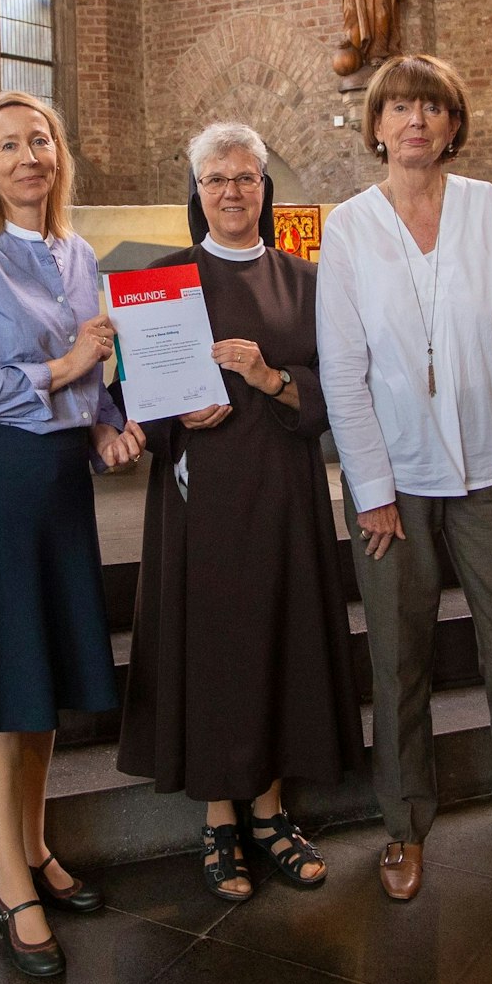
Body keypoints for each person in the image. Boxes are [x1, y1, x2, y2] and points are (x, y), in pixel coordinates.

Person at [316, 54, 492, 926]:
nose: (415, 123)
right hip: (395, 482)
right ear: (377, 126)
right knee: (399, 661)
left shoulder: (491, 211)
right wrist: (369, 485)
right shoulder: (350, 227)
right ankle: (403, 827)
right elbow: (341, 368)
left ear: (452, 126)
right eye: (399, 108)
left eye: (432, 109)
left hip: (491, 477)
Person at [0, 91, 146, 976]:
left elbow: (92, 382)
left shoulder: (79, 251)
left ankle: (39, 845)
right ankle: (10, 882)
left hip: (58, 491)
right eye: (7, 145)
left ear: (59, 156)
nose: (26, 157)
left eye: (40, 141)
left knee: (42, 675)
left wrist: (105, 425)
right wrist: (66, 369)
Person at [119, 122, 362, 901]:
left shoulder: (305, 281)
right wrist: (171, 418)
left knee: (279, 639)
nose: (231, 191)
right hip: (200, 497)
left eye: (246, 178)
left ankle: (272, 813)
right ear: (197, 191)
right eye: (216, 179)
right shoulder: (164, 276)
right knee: (214, 645)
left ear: (266, 187)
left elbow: (337, 389)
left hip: (284, 487)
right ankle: (220, 818)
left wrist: (271, 378)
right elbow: (134, 397)